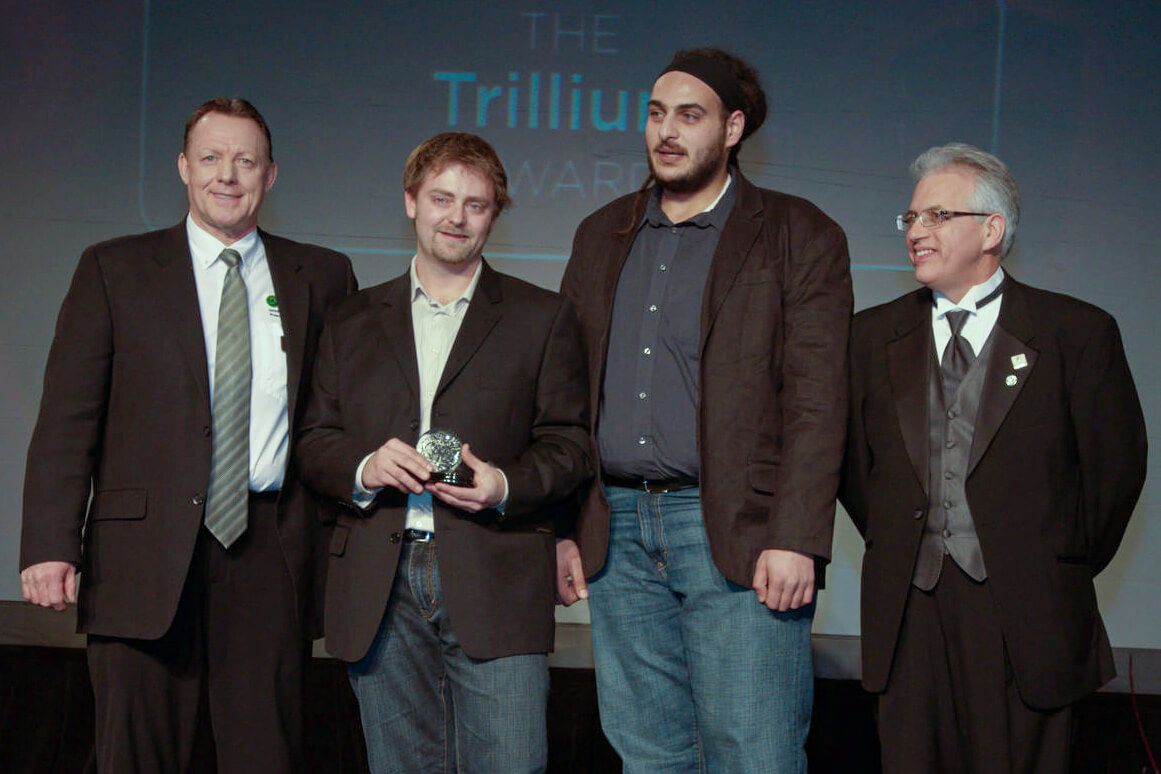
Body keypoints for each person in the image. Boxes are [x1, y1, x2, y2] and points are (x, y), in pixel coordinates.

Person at [19, 97, 356, 772]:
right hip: (139, 557)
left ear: (270, 175)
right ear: (182, 167)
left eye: (245, 160)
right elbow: (67, 418)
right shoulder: (112, 269)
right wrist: (51, 544)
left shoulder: (321, 275)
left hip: (270, 553)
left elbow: (337, 419)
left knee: (266, 755)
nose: (227, 175)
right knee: (136, 755)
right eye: (210, 157)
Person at [557, 48, 852, 773]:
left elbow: (819, 400)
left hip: (738, 534)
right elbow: (561, 394)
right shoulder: (601, 234)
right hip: (616, 532)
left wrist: (797, 537)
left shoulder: (797, 233)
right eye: (656, 114)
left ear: (732, 128)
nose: (666, 131)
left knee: (753, 752)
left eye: (689, 116)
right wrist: (563, 528)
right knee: (648, 754)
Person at [841, 142, 1147, 773]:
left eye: (936, 216)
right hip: (908, 612)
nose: (916, 232)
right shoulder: (868, 338)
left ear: (991, 230)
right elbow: (854, 473)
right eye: (911, 219)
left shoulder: (1077, 334)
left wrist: (1046, 560)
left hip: (1027, 619)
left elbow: (1114, 475)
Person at [295, 131, 591, 774]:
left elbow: (570, 445)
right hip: (379, 580)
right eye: (441, 198)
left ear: (495, 214)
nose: (457, 217)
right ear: (410, 202)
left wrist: (504, 485)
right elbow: (313, 441)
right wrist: (364, 469)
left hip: (499, 572)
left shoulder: (542, 318)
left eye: (476, 204)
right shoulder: (350, 319)